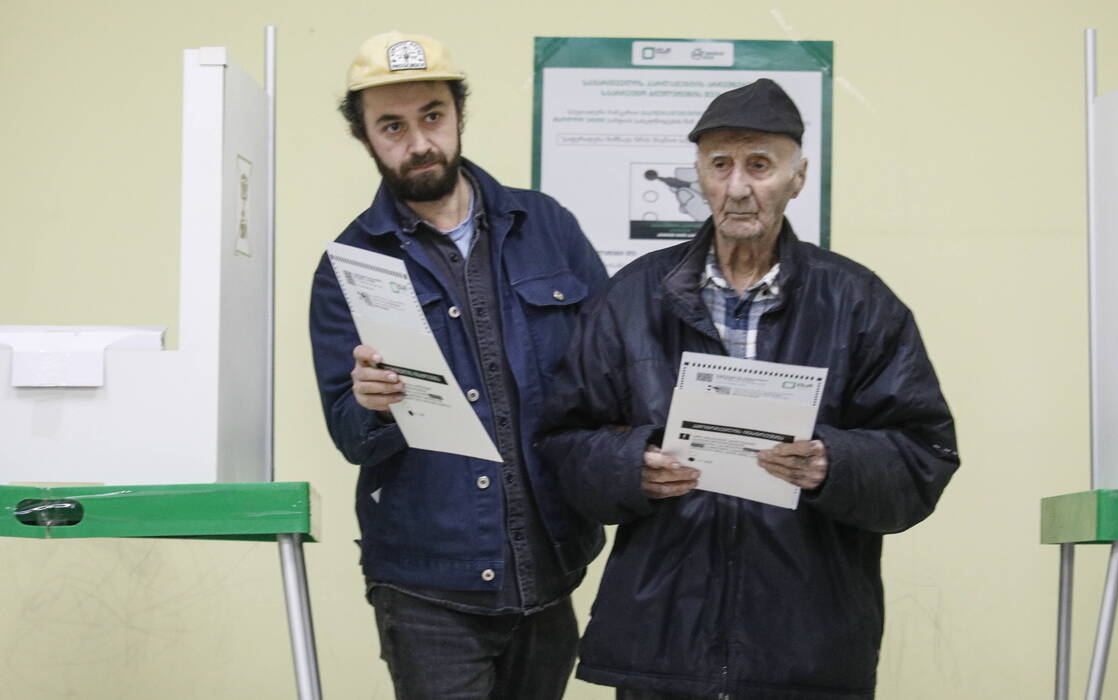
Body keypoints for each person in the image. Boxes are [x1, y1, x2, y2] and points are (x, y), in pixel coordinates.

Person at [537, 78, 960, 699]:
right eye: (721, 165)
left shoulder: (860, 302)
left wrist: (833, 463)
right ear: (700, 175)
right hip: (662, 647)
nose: (738, 187)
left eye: (760, 165)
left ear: (798, 176)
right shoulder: (632, 298)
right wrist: (632, 466)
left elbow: (925, 456)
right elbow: (562, 442)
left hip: (807, 650)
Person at [309, 31, 608, 700]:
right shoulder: (347, 269)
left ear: (458, 115)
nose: (418, 142)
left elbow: (609, 370)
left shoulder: (548, 226)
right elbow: (348, 434)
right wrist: (368, 403)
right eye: (392, 125)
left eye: (432, 117)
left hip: (550, 565)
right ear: (364, 138)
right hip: (425, 584)